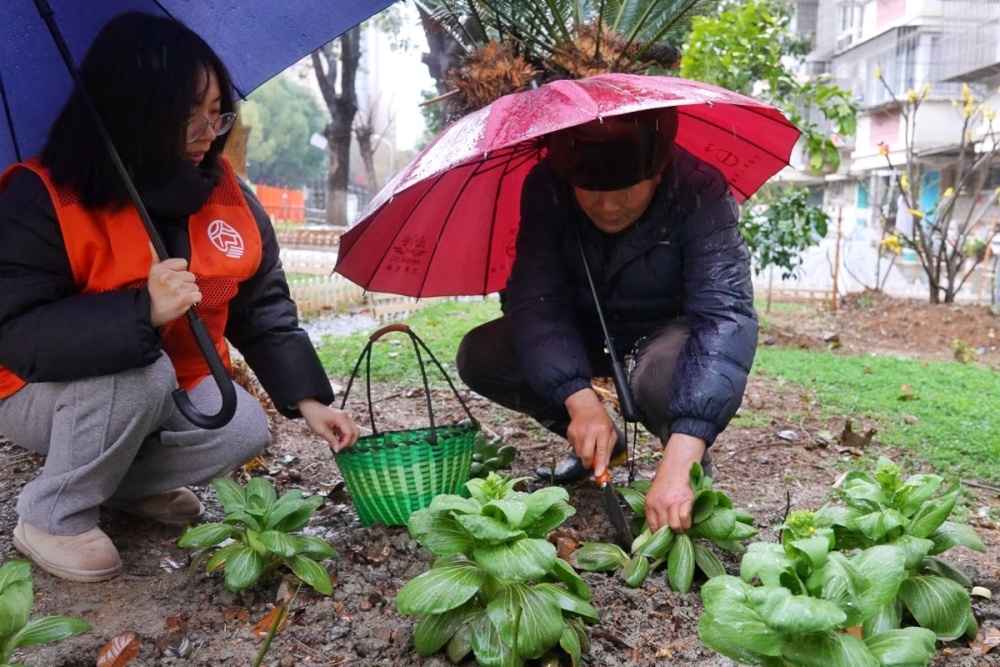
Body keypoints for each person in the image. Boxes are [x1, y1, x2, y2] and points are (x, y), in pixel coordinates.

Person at [0, 12, 359, 583]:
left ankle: (119, 488)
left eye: (216, 111)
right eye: (185, 115)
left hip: (162, 387)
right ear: (129, 110)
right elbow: (16, 332)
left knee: (242, 428)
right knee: (139, 372)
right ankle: (51, 514)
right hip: (42, 391)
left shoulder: (227, 195)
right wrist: (140, 311)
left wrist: (310, 400)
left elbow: (260, 308)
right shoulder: (41, 194)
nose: (207, 133)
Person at [456, 107, 757, 535]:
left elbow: (725, 314)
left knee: (664, 374)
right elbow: (537, 302)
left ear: (657, 172)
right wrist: (579, 400)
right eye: (590, 190)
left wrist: (687, 442)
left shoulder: (699, 188)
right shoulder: (547, 187)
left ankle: (686, 472)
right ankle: (600, 443)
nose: (609, 206)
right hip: (585, 327)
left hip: (666, 332)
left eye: (627, 189)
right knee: (484, 353)